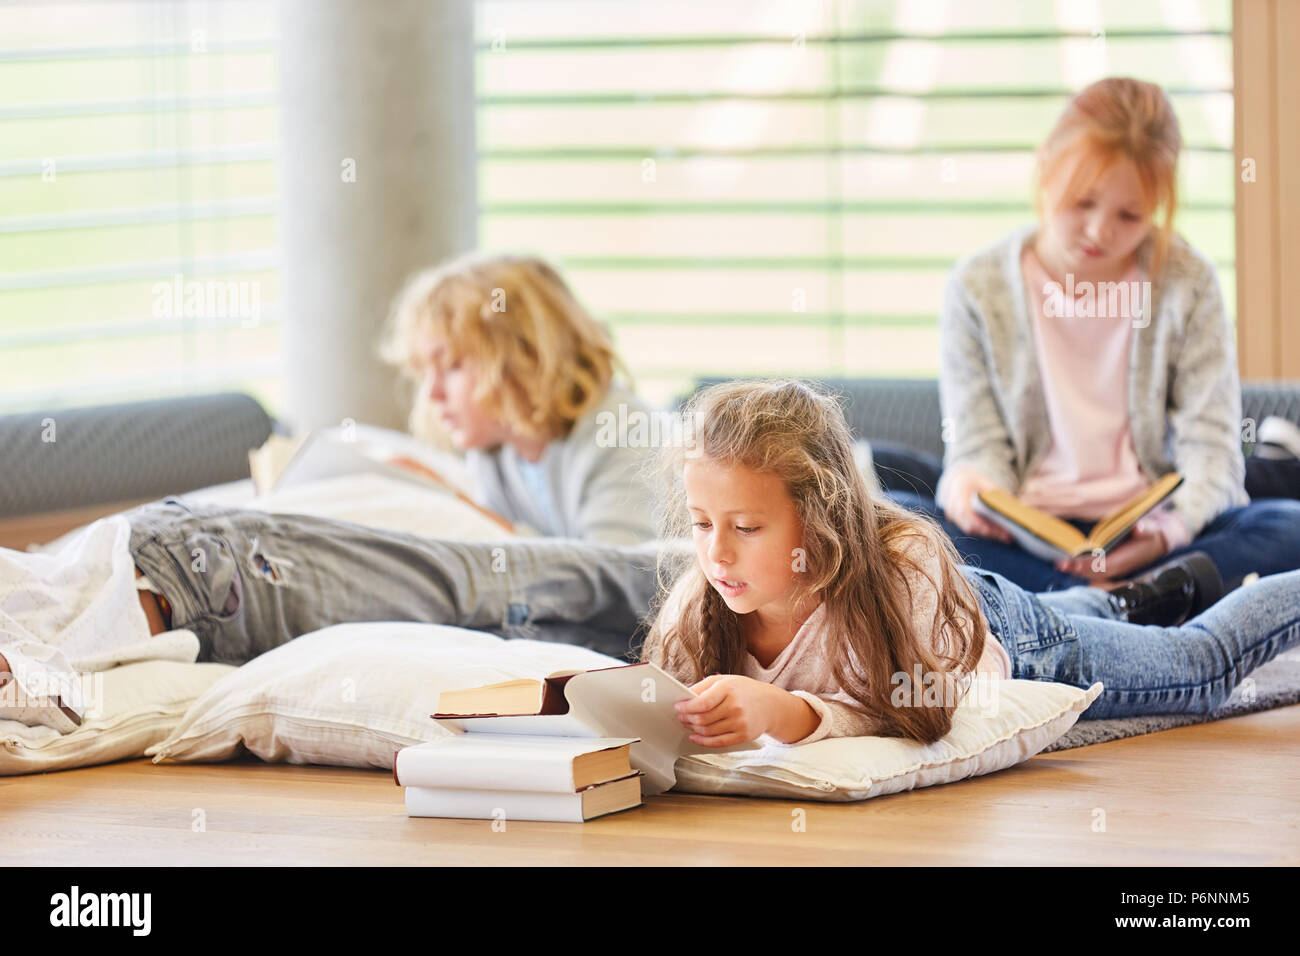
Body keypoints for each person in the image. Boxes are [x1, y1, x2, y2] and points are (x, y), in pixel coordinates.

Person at [4, 381, 1298, 747]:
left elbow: (925, 707)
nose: (715, 554)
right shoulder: (707, 585)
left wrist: (787, 708)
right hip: (1010, 608)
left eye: (744, 528)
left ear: (815, 523)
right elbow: (666, 678)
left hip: (1027, 639)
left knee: (1206, 661)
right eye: (702, 524)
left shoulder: (897, 569)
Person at [886, 77, 1300, 593]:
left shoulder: (1187, 284)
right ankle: (1138, 599)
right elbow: (978, 449)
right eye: (1082, 203)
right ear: (1045, 168)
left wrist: (1172, 529)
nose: (1100, 232)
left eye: (1130, 215)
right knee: (897, 521)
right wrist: (973, 490)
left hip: (1147, 532)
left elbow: (1212, 456)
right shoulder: (977, 287)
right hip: (1028, 534)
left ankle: (1066, 599)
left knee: (1289, 526)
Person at [379, 252, 659, 546]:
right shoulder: (496, 450)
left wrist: (463, 505)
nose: (432, 394)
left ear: (525, 355)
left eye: (452, 366)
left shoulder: (621, 434)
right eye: (425, 372)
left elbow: (616, 577)